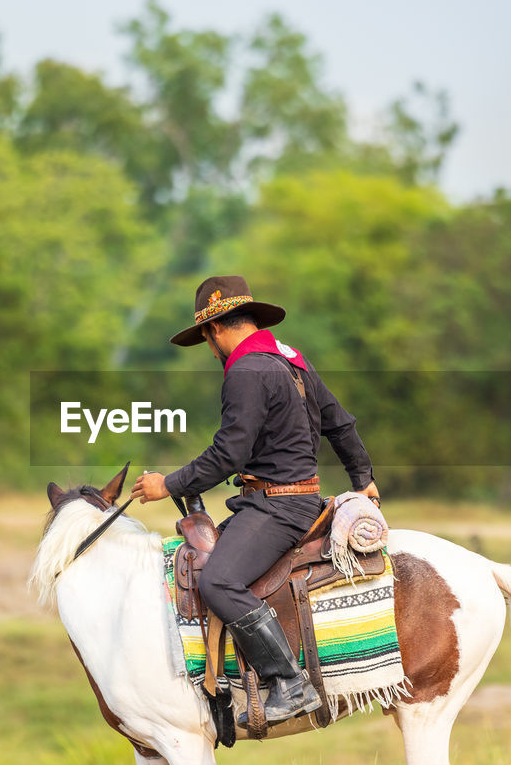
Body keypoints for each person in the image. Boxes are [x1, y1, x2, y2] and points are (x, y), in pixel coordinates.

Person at [132, 275, 379, 724]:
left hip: (278, 507)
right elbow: (341, 424)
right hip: (294, 499)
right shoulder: (291, 361)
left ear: (216, 330)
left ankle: (288, 681)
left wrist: (168, 485)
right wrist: (363, 478)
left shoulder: (245, 372)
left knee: (218, 582)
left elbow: (229, 453)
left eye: (207, 340)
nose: (210, 351)